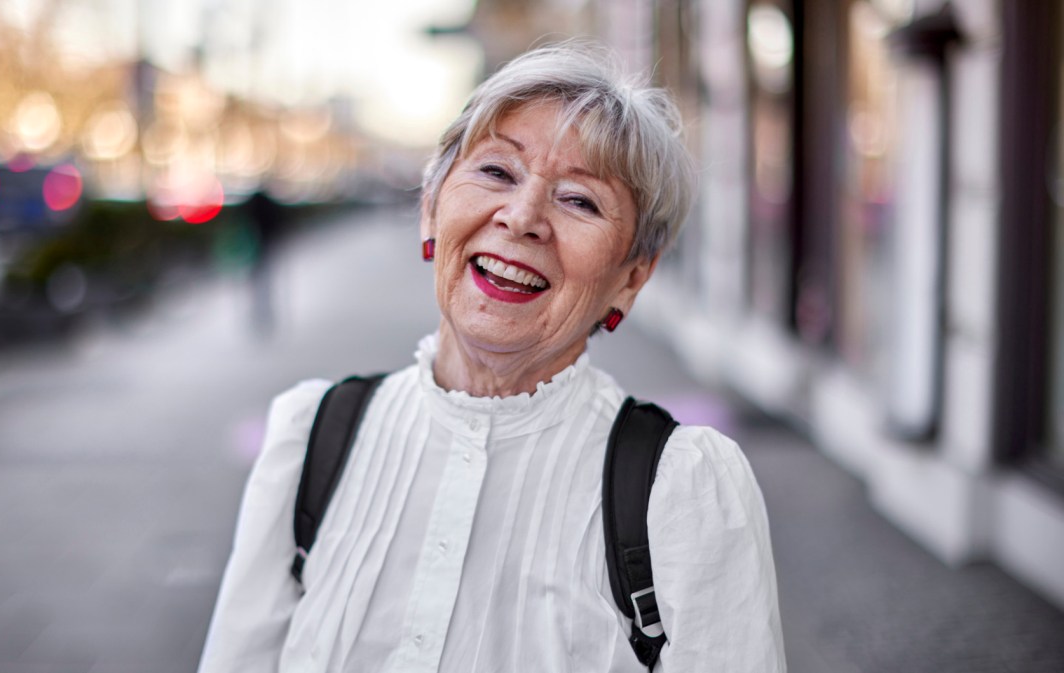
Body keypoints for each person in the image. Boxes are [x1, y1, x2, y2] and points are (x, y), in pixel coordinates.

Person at [198, 43, 785, 672]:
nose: (523, 217)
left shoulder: (683, 488)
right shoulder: (309, 439)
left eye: (580, 201)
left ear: (630, 279)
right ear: (431, 208)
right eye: (497, 172)